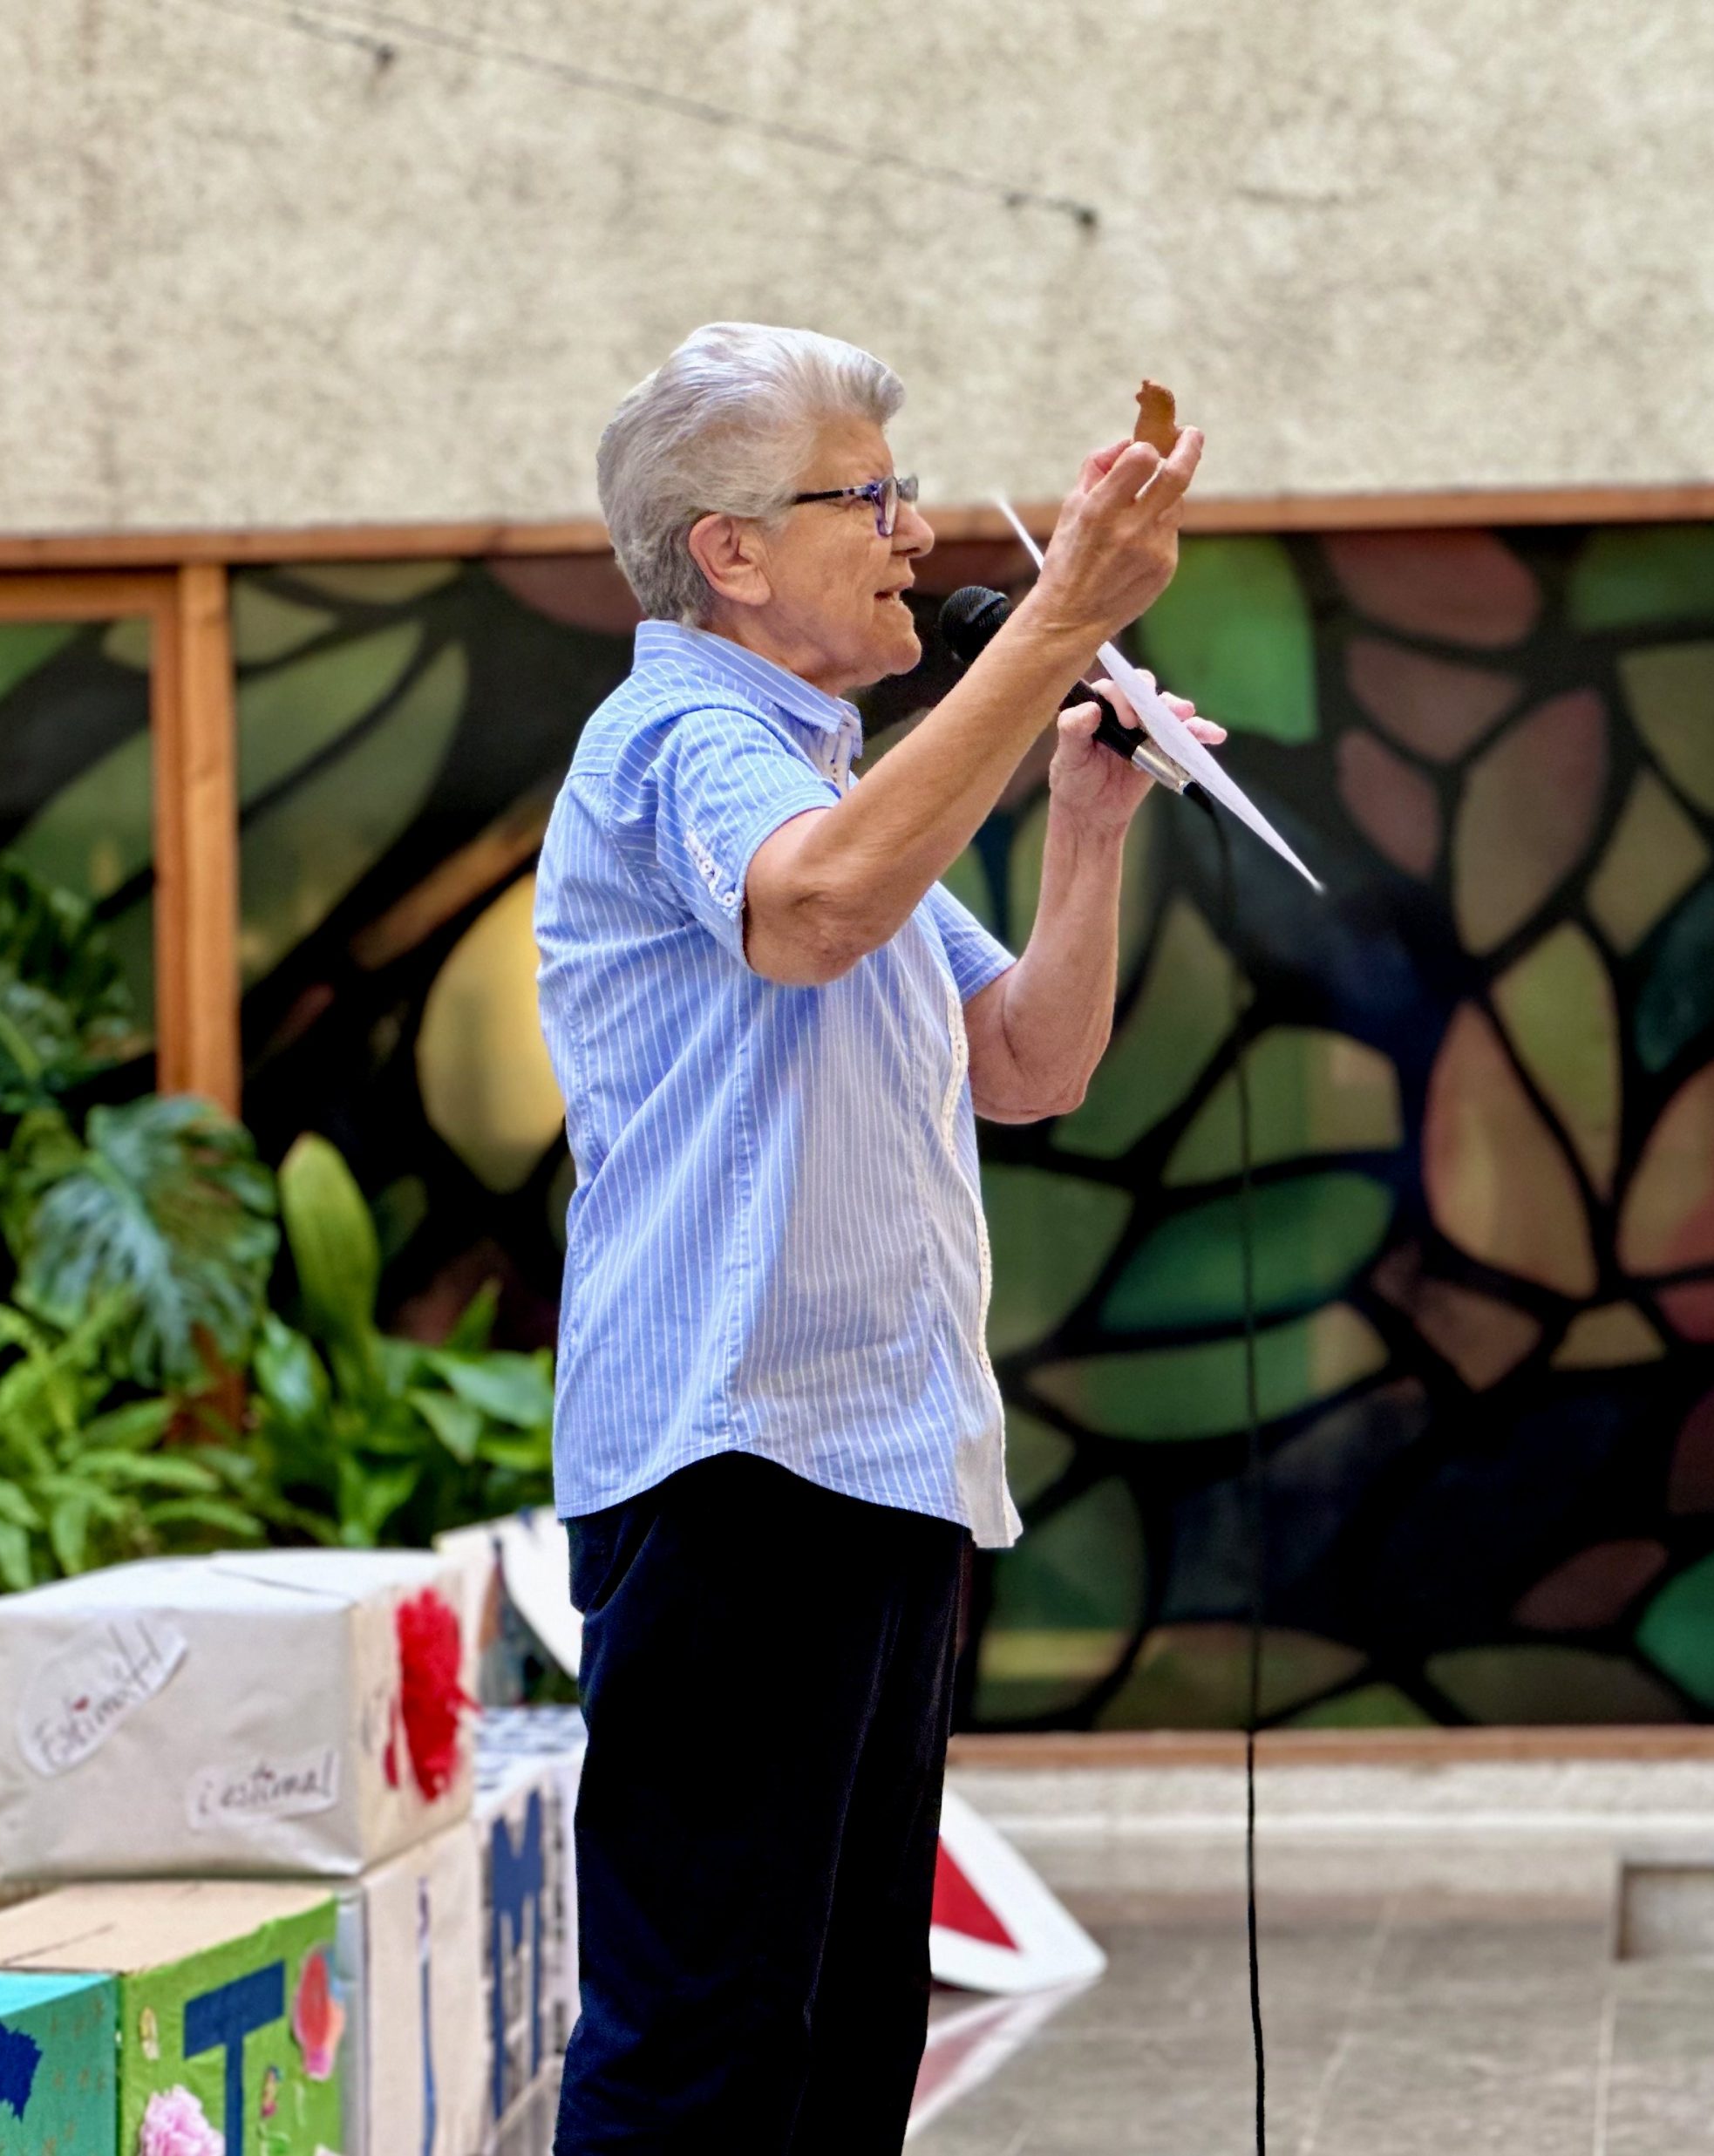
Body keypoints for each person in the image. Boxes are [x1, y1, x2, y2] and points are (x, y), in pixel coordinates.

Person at [533, 322, 1217, 2153]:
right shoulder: (682, 736)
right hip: (735, 1455)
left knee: (839, 2037)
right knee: (705, 2042)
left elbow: (1027, 1063)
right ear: (731, 552)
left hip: (867, 1456)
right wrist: (1058, 624)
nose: (912, 532)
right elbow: (815, 910)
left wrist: (1086, 825)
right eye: (870, 495)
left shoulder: (832, 782)